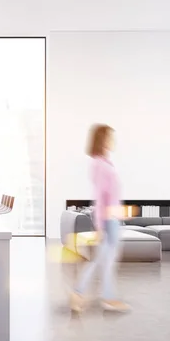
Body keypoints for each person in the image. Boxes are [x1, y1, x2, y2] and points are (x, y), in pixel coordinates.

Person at [70, 124, 130, 313]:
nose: (113, 141)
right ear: (102, 139)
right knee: (102, 260)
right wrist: (99, 225)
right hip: (108, 220)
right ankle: (84, 293)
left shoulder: (104, 163)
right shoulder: (100, 165)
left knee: (105, 261)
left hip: (111, 217)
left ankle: (104, 297)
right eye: (110, 137)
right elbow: (99, 196)